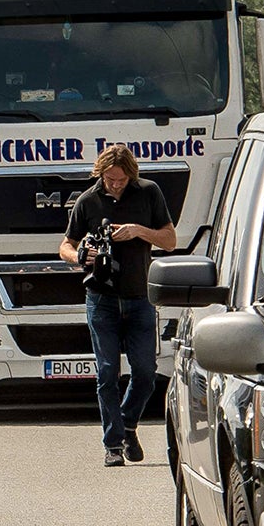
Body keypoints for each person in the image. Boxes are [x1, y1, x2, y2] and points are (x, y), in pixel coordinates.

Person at [59, 144, 176, 466]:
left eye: (121, 180)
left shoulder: (149, 193)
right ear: (100, 174)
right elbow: (65, 246)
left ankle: (127, 423)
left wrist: (138, 231)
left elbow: (170, 240)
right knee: (107, 372)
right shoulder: (88, 200)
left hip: (140, 297)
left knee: (146, 373)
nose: (115, 185)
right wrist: (80, 256)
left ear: (131, 175)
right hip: (102, 299)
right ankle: (113, 444)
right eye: (109, 180)